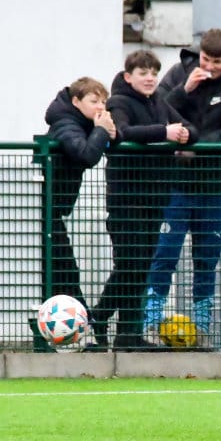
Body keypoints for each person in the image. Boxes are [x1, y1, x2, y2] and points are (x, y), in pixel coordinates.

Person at [143, 28, 221, 349]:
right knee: (165, 255)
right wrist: (184, 90)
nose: (211, 67)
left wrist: (198, 145)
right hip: (176, 184)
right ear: (200, 53)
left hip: (215, 187)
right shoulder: (179, 74)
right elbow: (156, 110)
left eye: (218, 62)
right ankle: (150, 322)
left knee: (206, 261)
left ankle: (201, 329)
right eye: (207, 59)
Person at [89, 49, 194, 352]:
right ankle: (100, 316)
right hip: (127, 199)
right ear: (128, 76)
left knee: (140, 266)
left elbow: (189, 129)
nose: (150, 78)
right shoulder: (118, 102)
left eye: (153, 73)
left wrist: (184, 135)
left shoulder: (159, 102)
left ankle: (126, 334)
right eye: (143, 73)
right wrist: (165, 132)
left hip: (155, 198)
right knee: (129, 264)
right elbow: (124, 133)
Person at [42, 77, 115, 317]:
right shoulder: (66, 124)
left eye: (103, 102)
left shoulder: (82, 124)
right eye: (94, 101)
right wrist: (101, 130)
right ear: (76, 101)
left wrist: (108, 132)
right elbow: (85, 154)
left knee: (64, 270)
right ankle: (84, 324)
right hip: (45, 209)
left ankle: (84, 323)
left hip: (53, 210)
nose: (100, 107)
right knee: (64, 271)